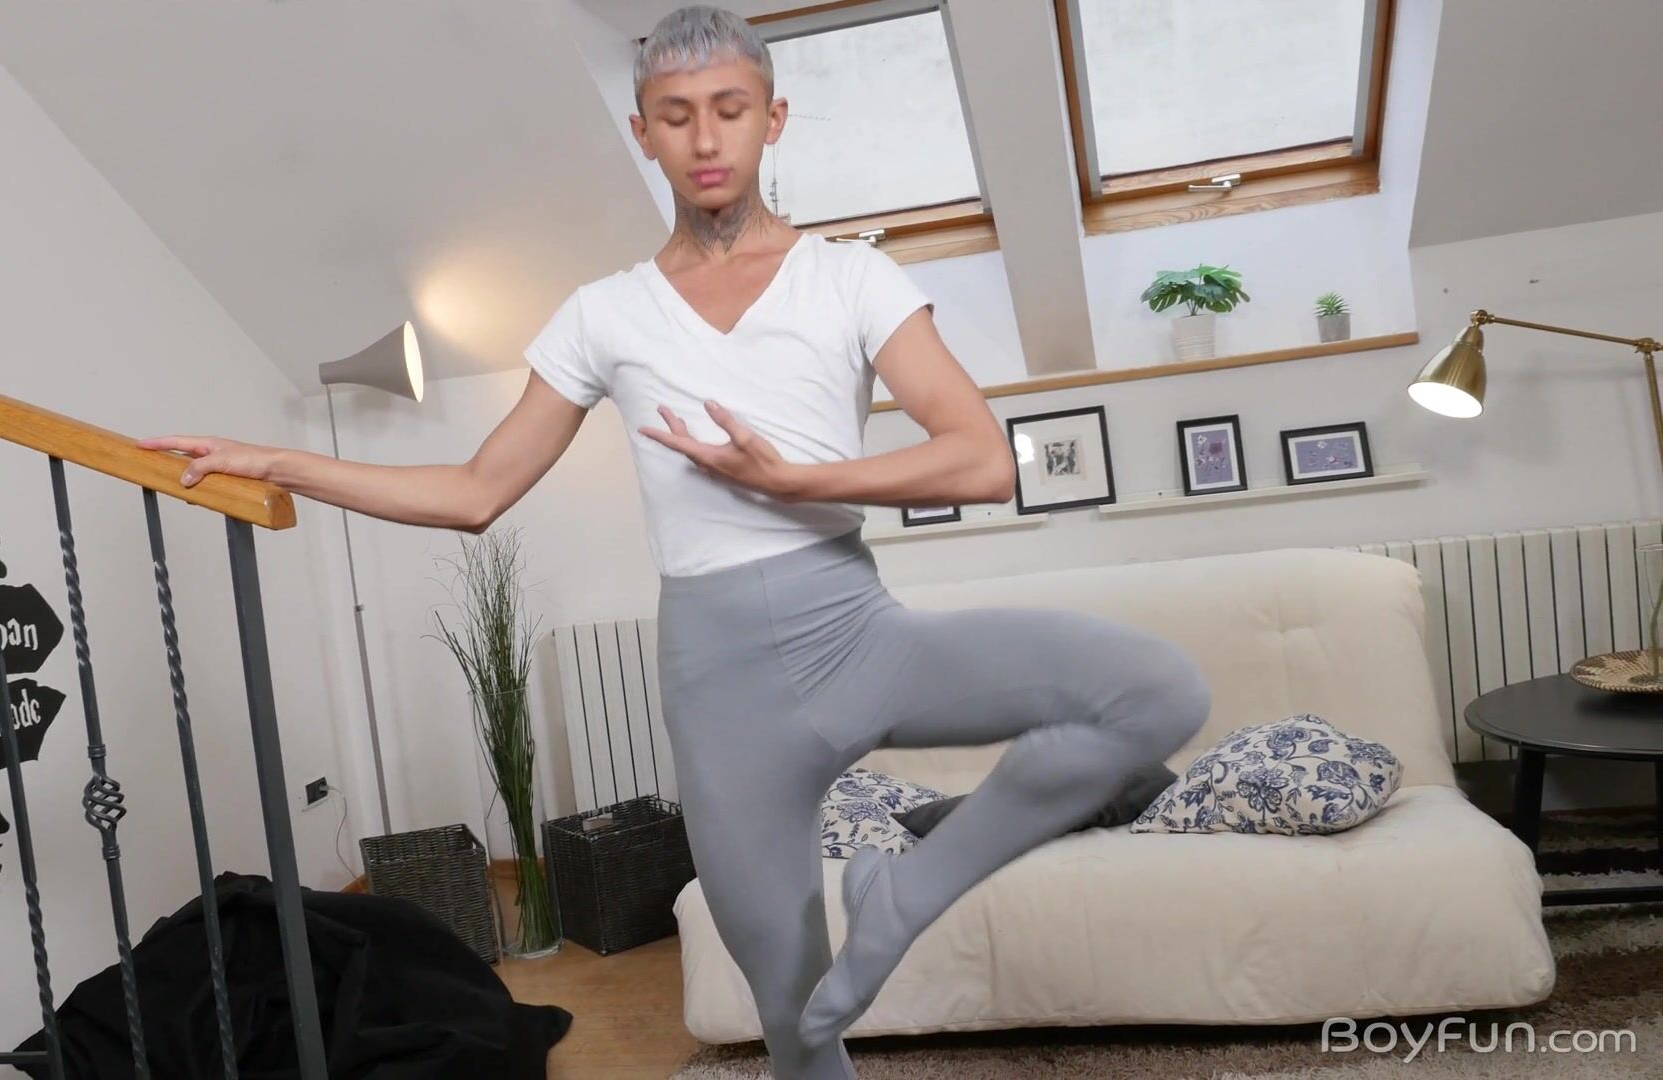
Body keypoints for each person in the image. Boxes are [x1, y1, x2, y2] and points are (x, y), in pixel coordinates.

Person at [139, 7, 1210, 1078]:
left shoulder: (851, 279)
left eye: (730, 110)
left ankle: (906, 894)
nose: (705, 138)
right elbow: (475, 491)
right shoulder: (603, 315)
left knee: (1154, 691)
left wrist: (795, 480)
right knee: (796, 1013)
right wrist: (281, 461)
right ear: (643, 132)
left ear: (772, 120)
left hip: (856, 635)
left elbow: (980, 460)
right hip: (722, 693)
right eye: (677, 114)